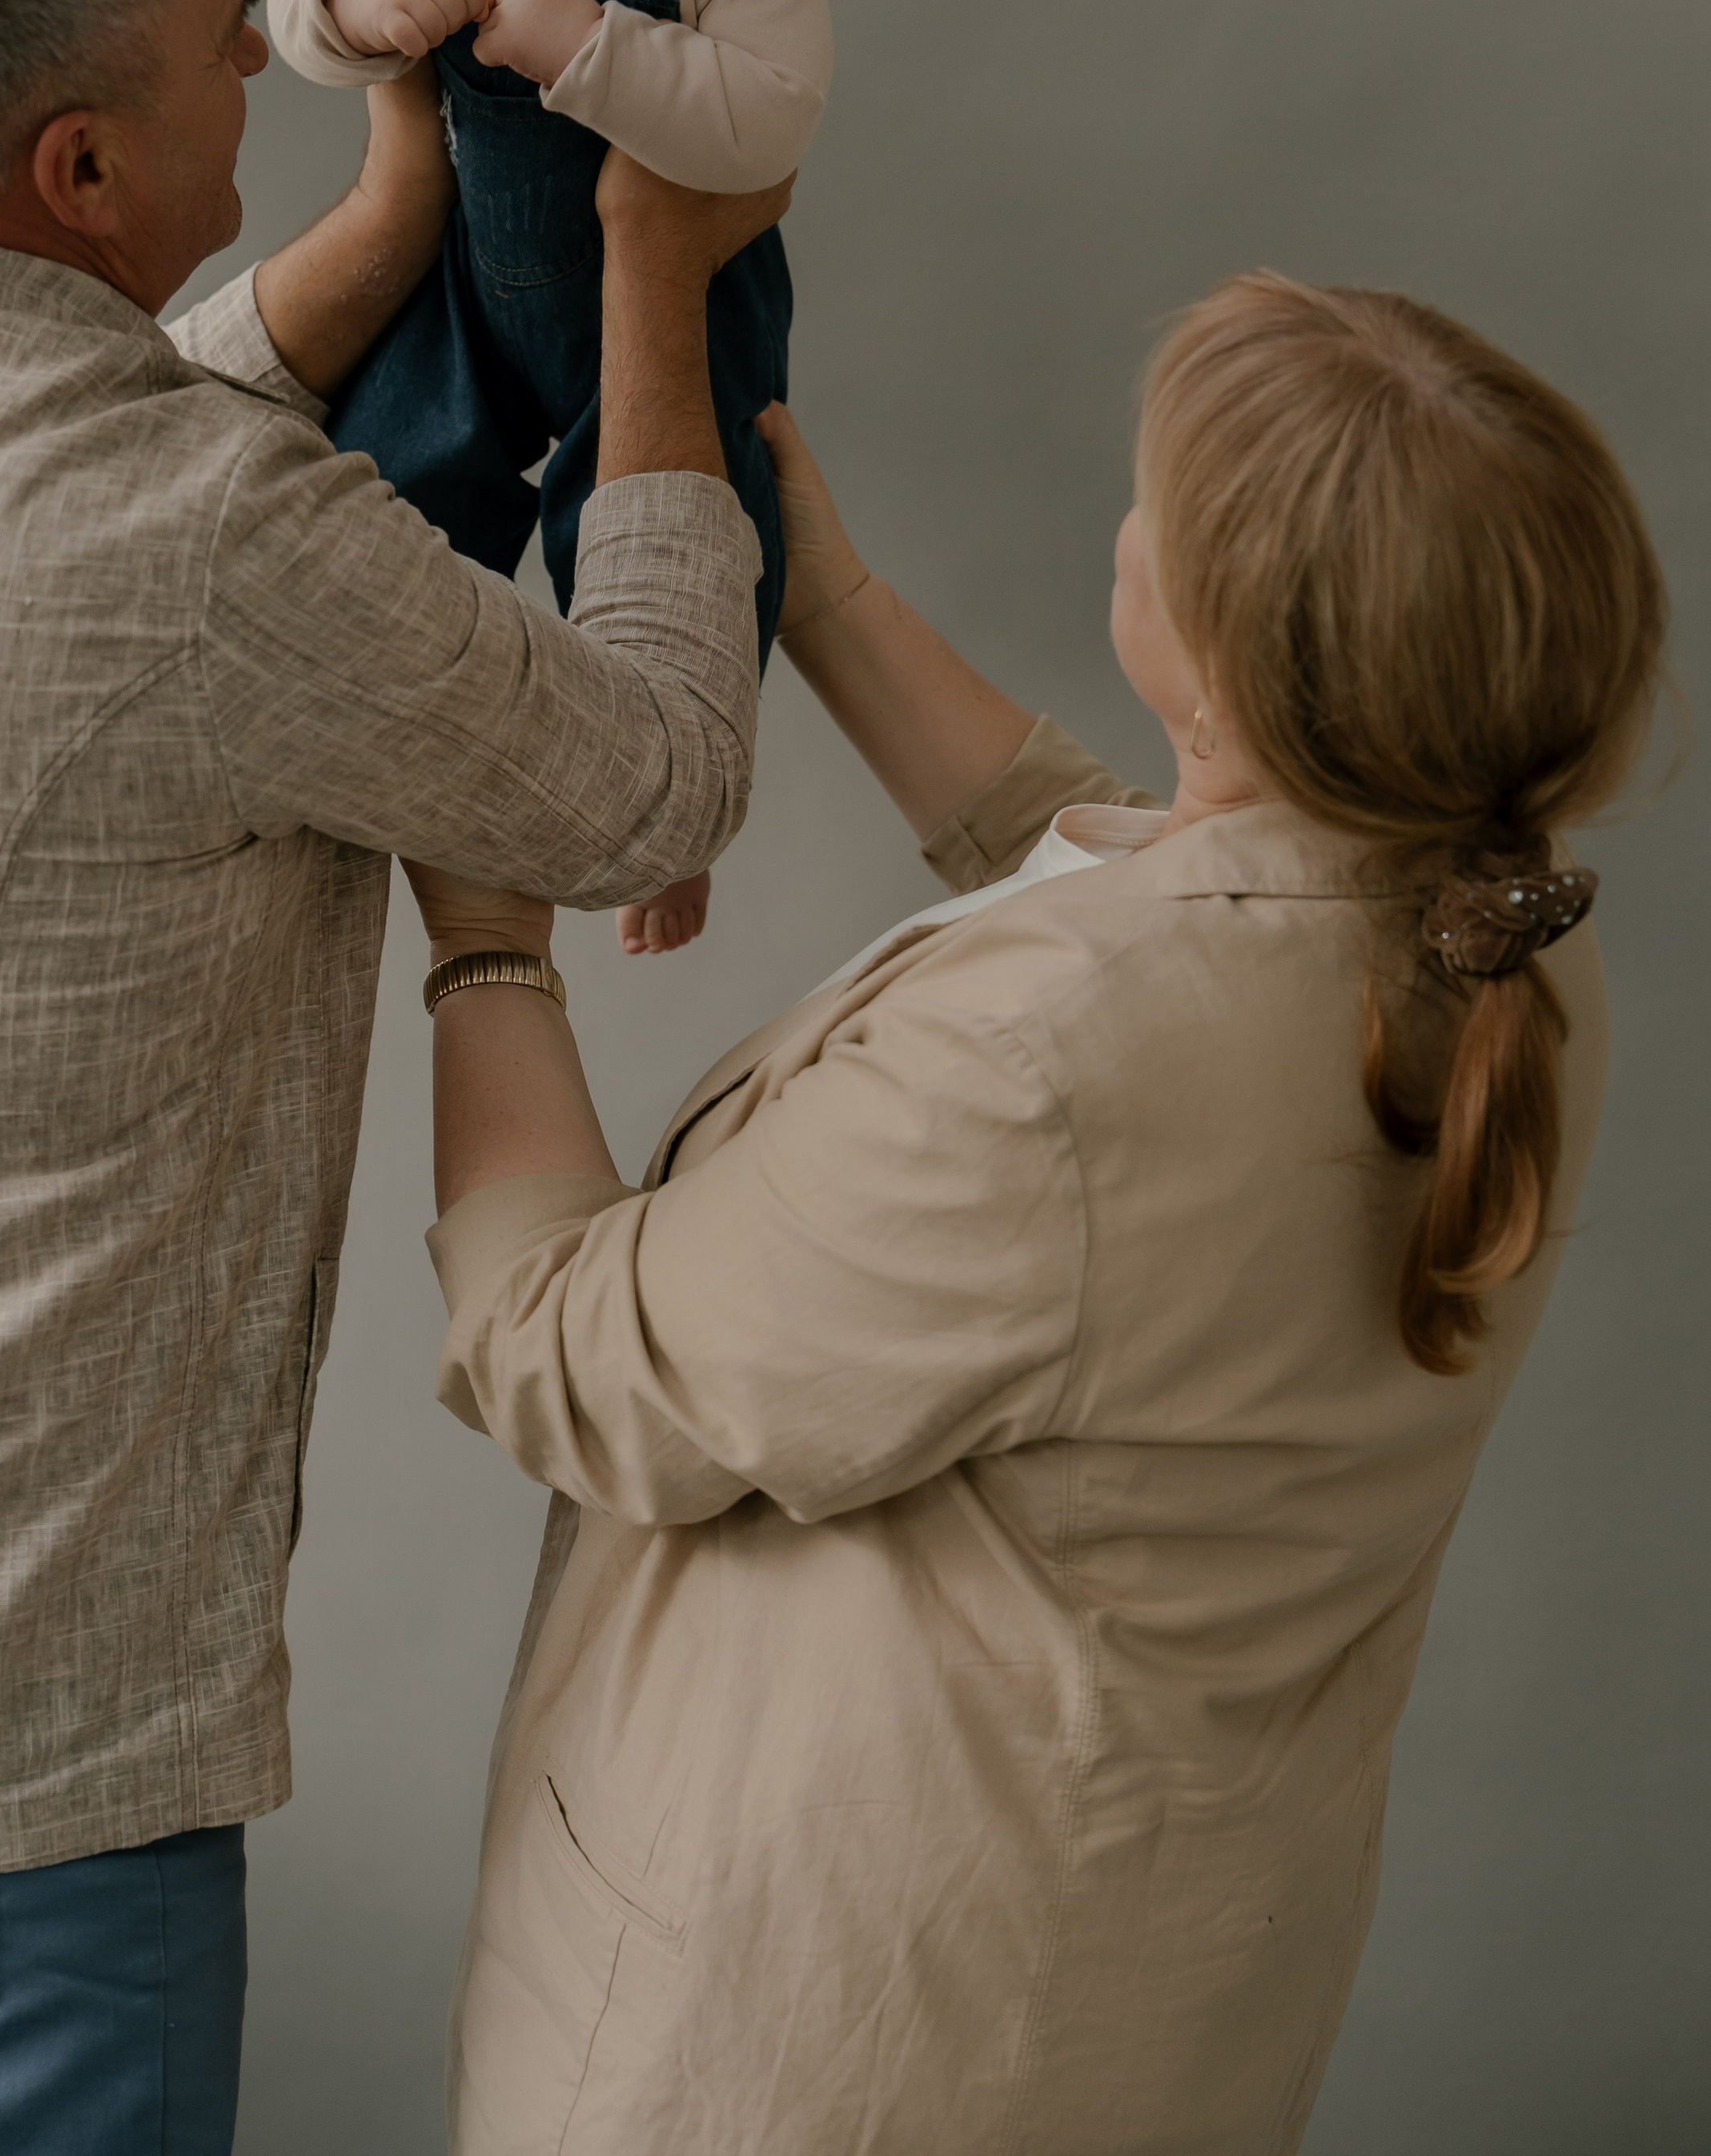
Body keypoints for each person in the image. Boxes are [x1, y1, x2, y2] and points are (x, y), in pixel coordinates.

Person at [0, 0, 783, 2156]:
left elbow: (27, 452)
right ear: (78, 169)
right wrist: (656, 291)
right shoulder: (200, 556)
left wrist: (381, 222)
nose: (268, 66)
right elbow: (654, 781)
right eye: (214, 52)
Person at [404, 275, 1666, 2156]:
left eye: (1153, 497)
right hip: (1114, 1998)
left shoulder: (1050, 1067)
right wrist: (819, 602)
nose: (1124, 519)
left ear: (1227, 669)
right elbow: (1137, 880)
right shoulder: (1493, 953)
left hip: (825, 2048)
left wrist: (484, 956)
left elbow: (575, 1354)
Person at [268, 0, 833, 958]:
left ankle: (676, 811)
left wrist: (593, 48)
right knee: (376, 497)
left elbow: (771, 114)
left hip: (668, 303)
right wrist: (359, 0)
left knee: (686, 539)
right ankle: (343, 760)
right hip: (456, 286)